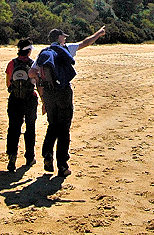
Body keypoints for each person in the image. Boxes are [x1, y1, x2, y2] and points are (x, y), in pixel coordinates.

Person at [31, 25, 106, 177]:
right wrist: (99, 33)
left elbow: (32, 72)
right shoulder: (66, 49)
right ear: (59, 38)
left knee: (53, 125)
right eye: (63, 36)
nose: (65, 38)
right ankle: (62, 165)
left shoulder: (44, 53)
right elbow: (85, 42)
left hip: (49, 94)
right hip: (64, 92)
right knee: (64, 129)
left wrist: (42, 93)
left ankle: (47, 154)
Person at [4, 38, 38, 172]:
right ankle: (29, 157)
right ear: (29, 51)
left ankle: (12, 157)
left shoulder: (12, 64)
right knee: (30, 128)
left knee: (13, 128)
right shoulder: (33, 64)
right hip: (30, 99)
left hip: (14, 99)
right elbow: (37, 82)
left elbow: (8, 84)